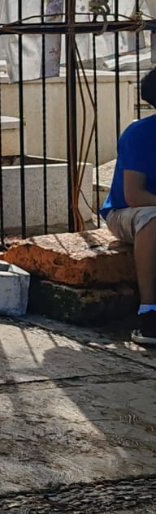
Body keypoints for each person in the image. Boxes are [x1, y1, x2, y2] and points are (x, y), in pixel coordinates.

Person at [101, 67, 156, 345]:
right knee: (154, 219)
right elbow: (134, 195)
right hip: (126, 212)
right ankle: (149, 313)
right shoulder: (140, 133)